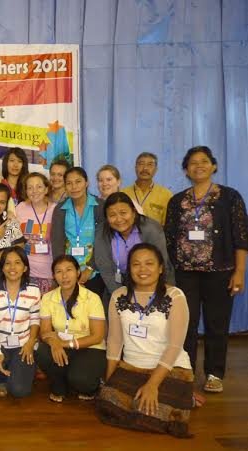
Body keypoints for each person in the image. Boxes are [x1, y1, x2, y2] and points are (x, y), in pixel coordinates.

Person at [164, 146, 248, 394]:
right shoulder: (177, 201)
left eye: (204, 161)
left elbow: (241, 237)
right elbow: (169, 238)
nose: (198, 166)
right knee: (185, 325)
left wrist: (240, 271)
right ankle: (186, 371)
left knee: (216, 324)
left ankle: (214, 373)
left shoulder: (229, 197)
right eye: (192, 162)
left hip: (220, 271)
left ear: (214, 166)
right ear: (185, 170)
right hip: (184, 273)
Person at [96, 243, 194, 438]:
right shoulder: (118, 295)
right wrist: (111, 380)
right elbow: (114, 340)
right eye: (136, 264)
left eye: (149, 263)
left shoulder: (175, 296)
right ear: (129, 268)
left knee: (153, 415)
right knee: (107, 404)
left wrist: (152, 385)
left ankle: (184, 397)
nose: (142, 269)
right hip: (132, 367)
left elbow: (175, 346)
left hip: (170, 368)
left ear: (160, 268)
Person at [36, 255, 106, 402]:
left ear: (78, 272)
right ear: (54, 276)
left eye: (69, 270)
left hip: (89, 347)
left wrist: (65, 344)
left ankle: (87, 384)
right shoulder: (48, 298)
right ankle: (60, 384)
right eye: (59, 271)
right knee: (41, 351)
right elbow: (45, 331)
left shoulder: (92, 298)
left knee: (81, 381)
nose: (64, 276)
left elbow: (97, 336)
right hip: (61, 345)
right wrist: (54, 343)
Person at [0, 247, 40, 398]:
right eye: (7, 263)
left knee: (19, 391)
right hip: (0, 343)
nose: (12, 267)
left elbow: (35, 319)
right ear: (2, 267)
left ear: (25, 268)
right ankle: (1, 378)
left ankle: (17, 371)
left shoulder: (33, 290)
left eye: (17, 263)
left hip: (23, 345)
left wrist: (31, 342)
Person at [94, 192, 174, 301]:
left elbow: (162, 264)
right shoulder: (101, 233)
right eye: (112, 215)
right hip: (117, 286)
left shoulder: (151, 229)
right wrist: (122, 299)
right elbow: (106, 269)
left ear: (134, 212)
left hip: (153, 284)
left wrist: (156, 295)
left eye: (123, 213)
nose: (119, 219)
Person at [51, 167, 106, 297]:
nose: (74, 187)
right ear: (65, 186)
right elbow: (57, 244)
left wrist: (90, 269)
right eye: (69, 183)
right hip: (68, 275)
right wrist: (65, 273)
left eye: (78, 182)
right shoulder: (60, 209)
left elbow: (104, 241)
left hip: (95, 271)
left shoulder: (100, 206)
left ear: (86, 183)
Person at [15, 172, 55, 293]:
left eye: (39, 187)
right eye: (30, 188)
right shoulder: (20, 208)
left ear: (46, 189)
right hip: (25, 272)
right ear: (26, 191)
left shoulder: (55, 210)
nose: (34, 191)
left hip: (50, 273)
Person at [122, 152, 172, 226]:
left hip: (155, 233)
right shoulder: (123, 193)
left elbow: (168, 224)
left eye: (150, 165)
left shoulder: (166, 195)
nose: (145, 168)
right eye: (141, 164)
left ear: (156, 169)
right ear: (135, 168)